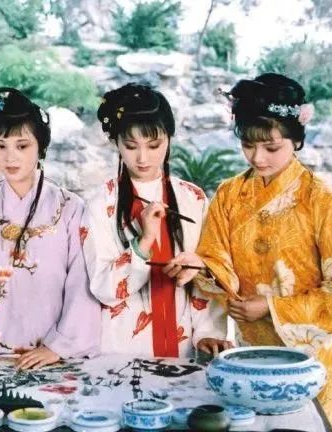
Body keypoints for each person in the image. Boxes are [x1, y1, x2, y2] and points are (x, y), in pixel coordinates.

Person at [191, 73, 332, 432]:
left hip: (313, 362)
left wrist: (269, 306)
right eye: (248, 145)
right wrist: (199, 267)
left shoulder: (323, 201)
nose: (258, 157)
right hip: (250, 355)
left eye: (271, 147)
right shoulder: (229, 195)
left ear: (296, 140)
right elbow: (215, 259)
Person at [0, 87, 100, 369]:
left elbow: (82, 284)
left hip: (51, 355)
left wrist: (58, 347)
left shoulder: (70, 208)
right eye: (0, 146)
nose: (10, 157)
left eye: (22, 146)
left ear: (40, 147)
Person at [81, 83, 229, 357]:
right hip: (122, 351)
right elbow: (103, 288)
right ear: (116, 143)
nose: (143, 158)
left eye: (154, 145)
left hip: (183, 347)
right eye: (130, 146)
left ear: (169, 138)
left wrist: (208, 333)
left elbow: (208, 268)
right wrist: (144, 241)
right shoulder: (100, 204)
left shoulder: (193, 198)